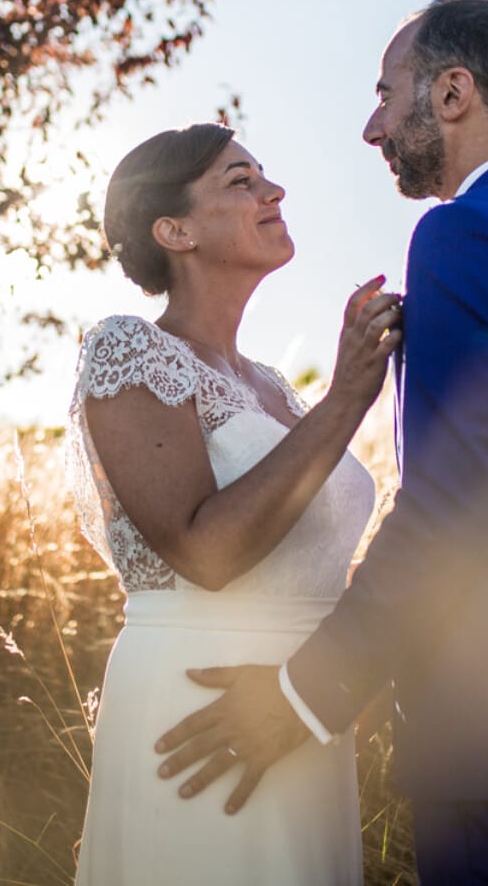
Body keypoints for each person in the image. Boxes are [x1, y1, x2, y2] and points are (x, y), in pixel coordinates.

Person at [154, 0, 488, 884]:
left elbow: (450, 508)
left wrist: (300, 697)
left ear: (454, 93)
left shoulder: (463, 233)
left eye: (388, 93)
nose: (371, 126)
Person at [65, 121, 400, 885]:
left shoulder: (273, 389)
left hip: (304, 709)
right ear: (174, 230)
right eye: (240, 181)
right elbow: (205, 551)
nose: (273, 191)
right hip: (201, 712)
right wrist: (348, 396)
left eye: (265, 176)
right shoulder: (129, 349)